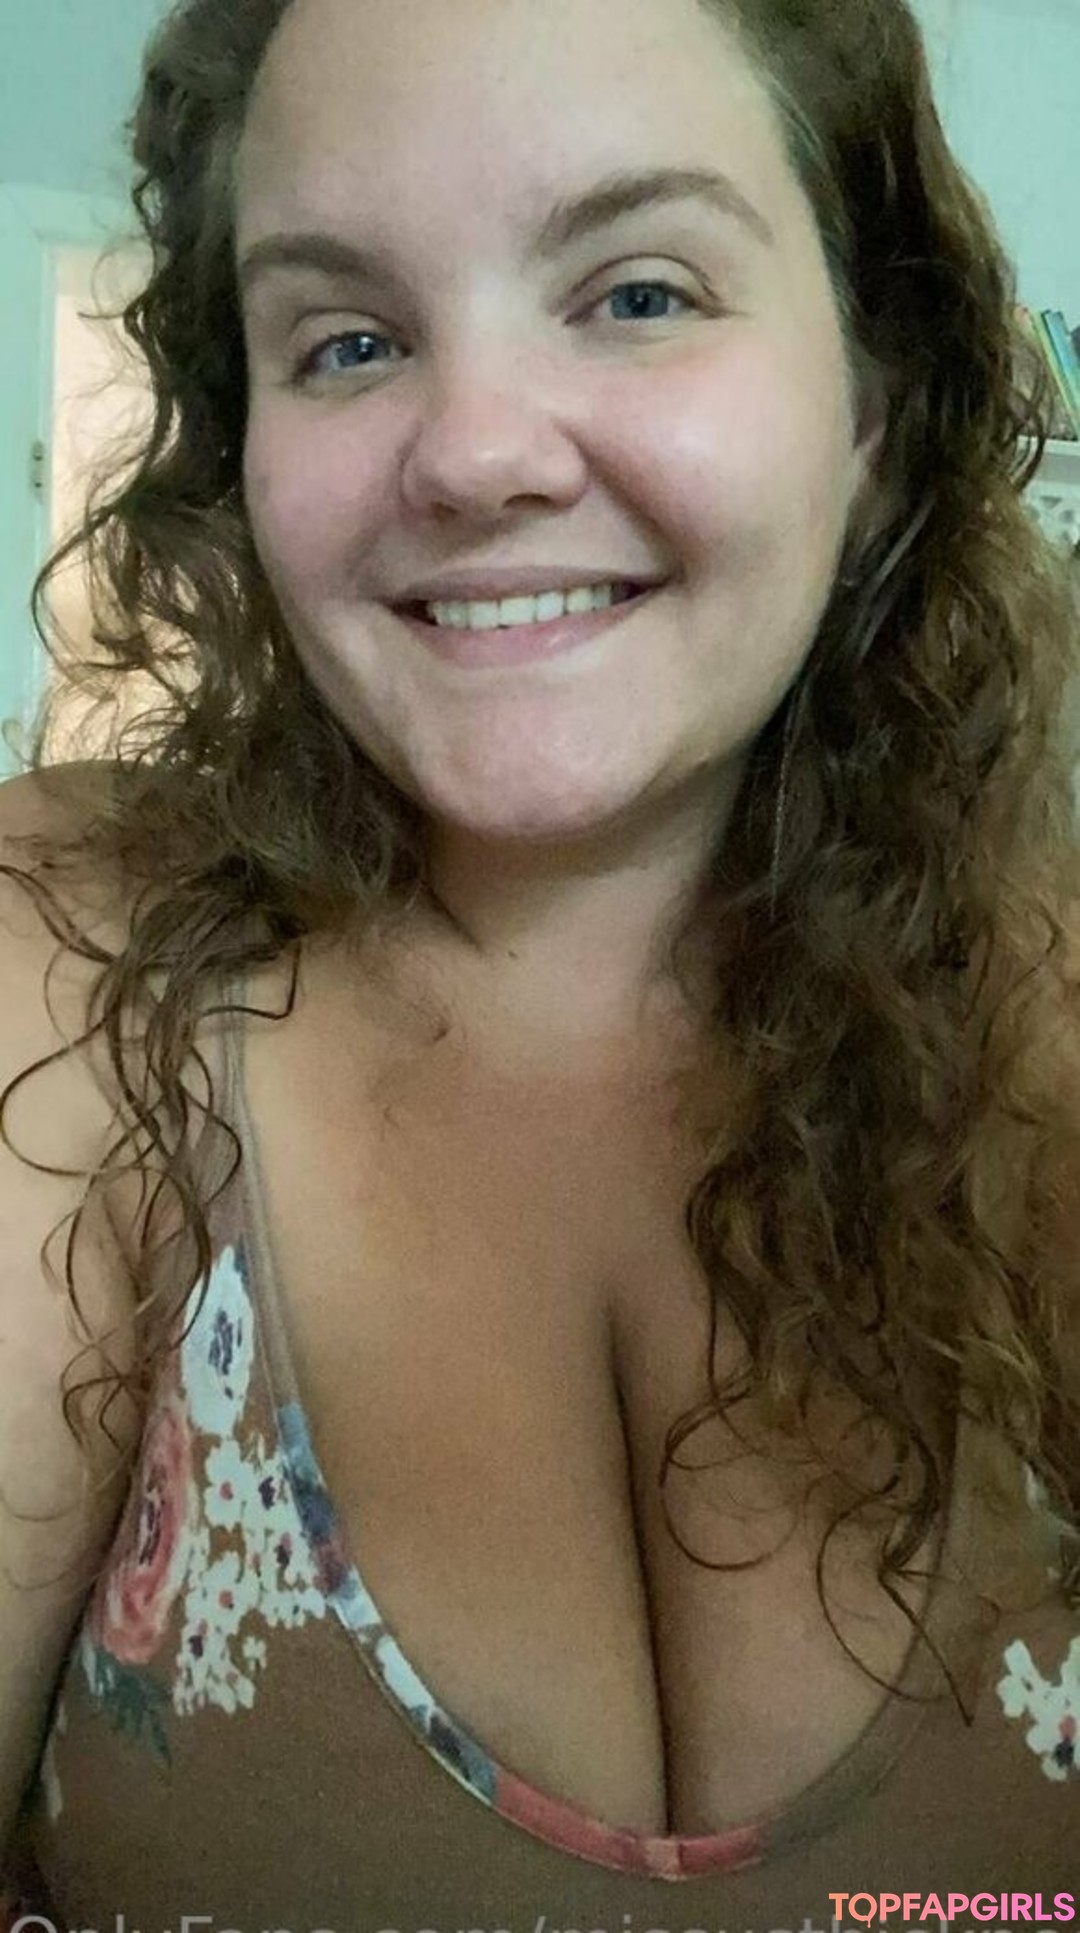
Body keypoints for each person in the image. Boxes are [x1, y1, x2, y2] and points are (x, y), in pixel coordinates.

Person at [2, 0, 1080, 1918]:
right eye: (348, 341)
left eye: (639, 293)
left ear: (873, 396)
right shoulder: (66, 969)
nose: (476, 455)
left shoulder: (1053, 1034)